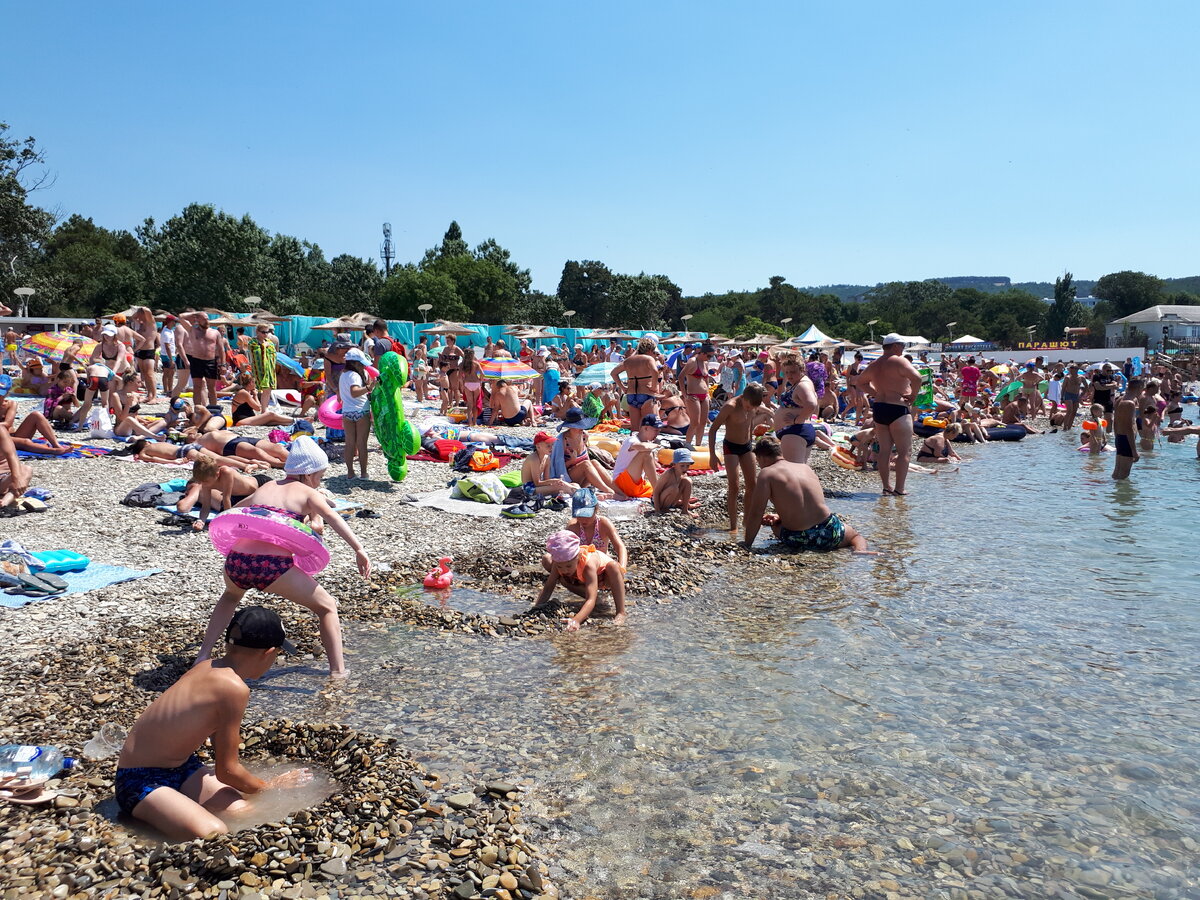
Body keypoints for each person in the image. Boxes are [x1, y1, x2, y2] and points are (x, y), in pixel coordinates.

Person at [116, 606, 313, 841]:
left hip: (182, 766)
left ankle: (172, 807)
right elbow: (227, 771)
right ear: (268, 652)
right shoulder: (233, 688)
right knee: (214, 833)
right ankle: (140, 824)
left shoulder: (206, 666)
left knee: (243, 812)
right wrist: (271, 786)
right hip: (138, 780)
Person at [196, 437, 370, 676]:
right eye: (320, 476)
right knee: (327, 607)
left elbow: (238, 512)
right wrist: (358, 549)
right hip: (271, 566)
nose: (319, 482)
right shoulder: (309, 492)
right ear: (309, 475)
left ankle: (202, 655)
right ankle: (338, 672)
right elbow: (335, 518)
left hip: (236, 561)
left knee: (230, 597)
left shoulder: (266, 486)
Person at [742, 436, 871, 552]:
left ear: (762, 457)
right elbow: (809, 506)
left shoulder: (767, 473)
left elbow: (756, 513)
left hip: (801, 538)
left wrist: (747, 544)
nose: (759, 465)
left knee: (776, 526)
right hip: (830, 532)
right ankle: (861, 551)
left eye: (758, 461)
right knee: (855, 536)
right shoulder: (804, 467)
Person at [857, 334, 923, 496]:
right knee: (904, 451)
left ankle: (886, 487)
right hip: (898, 408)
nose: (903, 349)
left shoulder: (875, 364)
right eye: (902, 346)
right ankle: (900, 489)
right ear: (895, 346)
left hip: (880, 408)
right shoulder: (898, 360)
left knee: (884, 450)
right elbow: (917, 378)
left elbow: (859, 382)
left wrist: (876, 392)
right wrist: (913, 396)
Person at [531, 530, 627, 632]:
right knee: (561, 577)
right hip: (584, 578)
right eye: (560, 566)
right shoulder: (559, 563)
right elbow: (548, 588)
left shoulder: (589, 564)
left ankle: (621, 612)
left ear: (577, 557)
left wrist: (576, 620)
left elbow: (591, 599)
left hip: (605, 577)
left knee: (613, 566)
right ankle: (600, 600)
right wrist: (536, 609)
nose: (564, 570)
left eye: (568, 566)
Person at [708, 382, 766, 532]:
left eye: (753, 408)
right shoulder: (730, 406)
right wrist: (712, 455)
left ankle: (746, 522)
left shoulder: (753, 404)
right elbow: (713, 430)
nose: (750, 409)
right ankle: (733, 526)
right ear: (743, 398)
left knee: (752, 484)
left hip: (746, 446)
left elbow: (750, 423)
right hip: (731, 447)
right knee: (734, 486)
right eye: (748, 407)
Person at [177, 455, 276, 531]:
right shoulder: (206, 482)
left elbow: (226, 498)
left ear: (217, 474)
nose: (203, 484)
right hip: (242, 496)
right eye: (201, 482)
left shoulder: (226, 472)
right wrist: (201, 521)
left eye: (206, 482)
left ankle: (254, 464)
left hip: (260, 485)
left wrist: (229, 522)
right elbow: (206, 506)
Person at [566, 487, 628, 568]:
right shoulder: (573, 526)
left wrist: (622, 568)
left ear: (596, 509)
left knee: (613, 567)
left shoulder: (603, 523)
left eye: (587, 515)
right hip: (580, 566)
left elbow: (620, 547)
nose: (584, 520)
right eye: (580, 515)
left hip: (601, 565)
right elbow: (565, 551)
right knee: (547, 559)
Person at [611, 338, 663, 426]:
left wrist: (623, 387)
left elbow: (613, 373)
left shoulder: (628, 360)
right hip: (646, 394)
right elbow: (655, 371)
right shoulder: (648, 359)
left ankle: (634, 439)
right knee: (651, 426)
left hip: (631, 395)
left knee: (635, 428)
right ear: (650, 350)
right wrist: (654, 387)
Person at [339, 348, 374, 480]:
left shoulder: (343, 374)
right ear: (354, 363)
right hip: (360, 411)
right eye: (361, 363)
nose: (363, 365)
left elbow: (344, 393)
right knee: (361, 444)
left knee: (349, 443)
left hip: (347, 412)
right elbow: (354, 392)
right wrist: (369, 387)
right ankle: (364, 473)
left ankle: (350, 473)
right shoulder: (355, 375)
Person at [182, 312, 227, 409]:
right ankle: (198, 409)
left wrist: (223, 364)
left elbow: (221, 349)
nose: (207, 321)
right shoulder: (192, 330)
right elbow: (181, 317)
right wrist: (195, 313)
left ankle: (214, 409)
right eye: (204, 319)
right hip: (196, 361)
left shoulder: (215, 332)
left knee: (212, 388)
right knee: (197, 387)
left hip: (210, 361)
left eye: (207, 318)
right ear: (198, 320)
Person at [611, 414, 662, 499]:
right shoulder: (631, 440)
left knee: (667, 488)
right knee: (646, 454)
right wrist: (656, 445)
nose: (658, 433)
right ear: (645, 428)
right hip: (621, 484)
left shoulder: (647, 442)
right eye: (656, 430)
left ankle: (681, 502)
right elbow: (644, 447)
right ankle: (657, 491)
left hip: (636, 484)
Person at [679, 342, 714, 447]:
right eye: (709, 356)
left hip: (704, 395)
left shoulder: (705, 363)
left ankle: (698, 444)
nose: (710, 358)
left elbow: (706, 378)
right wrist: (684, 394)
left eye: (711, 356)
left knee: (703, 423)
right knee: (695, 423)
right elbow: (681, 377)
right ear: (702, 353)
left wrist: (707, 392)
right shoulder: (692, 361)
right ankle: (688, 444)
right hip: (693, 395)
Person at [520, 430, 575, 497]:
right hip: (529, 488)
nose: (551, 448)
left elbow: (546, 480)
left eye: (552, 445)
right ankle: (579, 495)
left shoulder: (547, 458)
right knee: (561, 487)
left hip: (537, 486)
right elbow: (537, 483)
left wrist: (554, 482)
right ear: (538, 446)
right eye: (548, 446)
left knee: (574, 485)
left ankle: (579, 492)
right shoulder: (534, 459)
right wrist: (553, 481)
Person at [653, 448, 698, 515]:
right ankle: (665, 508)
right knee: (674, 488)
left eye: (687, 466)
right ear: (674, 464)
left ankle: (685, 510)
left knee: (687, 481)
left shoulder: (683, 474)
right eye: (682, 466)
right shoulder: (668, 474)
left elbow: (682, 491)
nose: (685, 468)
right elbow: (656, 492)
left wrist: (687, 503)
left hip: (672, 500)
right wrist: (657, 510)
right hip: (660, 502)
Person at [1112, 377, 1141, 480]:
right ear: (1139, 388)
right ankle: (1120, 496)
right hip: (1127, 439)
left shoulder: (1120, 399)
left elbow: (1115, 421)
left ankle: (1111, 493)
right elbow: (1129, 427)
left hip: (1120, 437)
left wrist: (1116, 437)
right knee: (1124, 474)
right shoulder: (1130, 403)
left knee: (1117, 472)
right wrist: (1134, 450)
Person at [248, 323, 279, 413]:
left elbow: (274, 353)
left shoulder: (269, 342)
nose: (265, 334)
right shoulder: (253, 342)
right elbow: (255, 353)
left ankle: (264, 409)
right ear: (257, 332)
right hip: (258, 369)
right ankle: (252, 407)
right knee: (253, 388)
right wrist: (263, 347)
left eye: (267, 332)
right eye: (263, 332)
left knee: (267, 389)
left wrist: (265, 348)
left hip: (269, 369)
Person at [160, 314, 185, 398]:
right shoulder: (166, 332)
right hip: (167, 355)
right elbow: (167, 347)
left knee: (170, 373)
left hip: (170, 354)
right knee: (168, 373)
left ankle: (169, 389)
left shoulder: (168, 330)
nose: (175, 323)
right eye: (174, 321)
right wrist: (171, 359)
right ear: (171, 322)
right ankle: (166, 390)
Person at [461, 348, 483, 426]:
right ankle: (475, 422)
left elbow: (459, 376)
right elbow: (482, 373)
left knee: (470, 405)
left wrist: (463, 382)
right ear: (473, 355)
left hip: (467, 384)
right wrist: (480, 380)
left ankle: (469, 422)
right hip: (476, 383)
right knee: (475, 403)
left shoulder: (462, 364)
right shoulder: (476, 363)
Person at [1062, 363, 1084, 429]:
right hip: (1068, 394)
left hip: (1076, 395)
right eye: (1070, 370)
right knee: (1069, 411)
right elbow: (1063, 388)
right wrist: (1062, 397)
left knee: (1074, 412)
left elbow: (1086, 387)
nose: (1071, 371)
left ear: (1077, 370)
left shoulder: (1081, 377)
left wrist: (1082, 395)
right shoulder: (1067, 377)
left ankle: (1069, 427)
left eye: (1072, 369)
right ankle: (1064, 427)